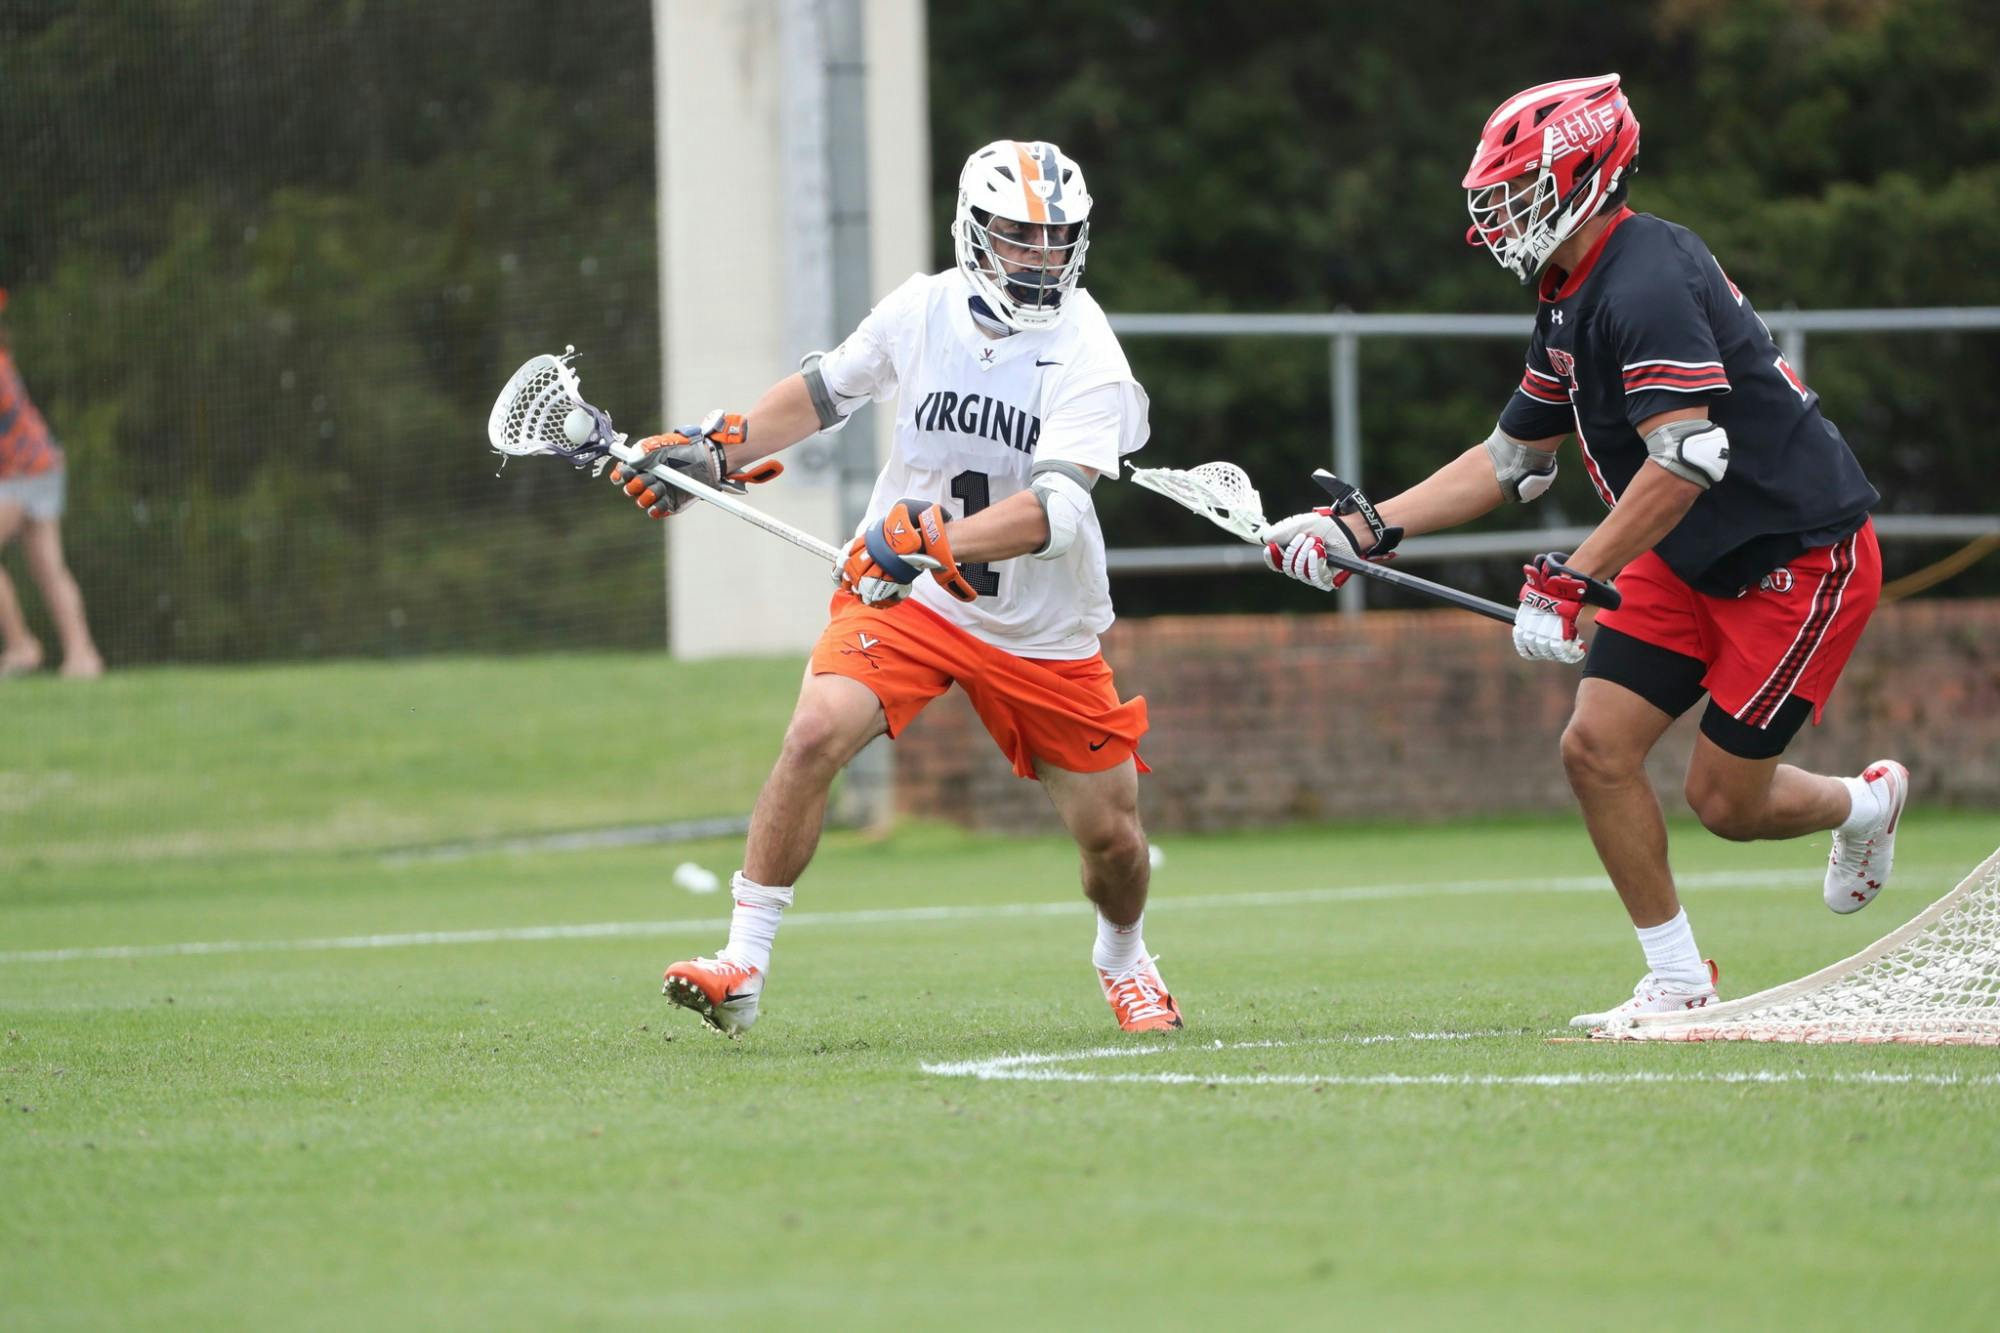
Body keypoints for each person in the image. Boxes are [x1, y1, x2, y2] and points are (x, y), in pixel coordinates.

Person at [1260, 75, 1905, 1029]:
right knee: (1595, 748)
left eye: (1518, 189)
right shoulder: (1569, 288)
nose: (1500, 214)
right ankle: (1679, 979)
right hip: (1681, 550)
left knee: (1725, 803)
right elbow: (1511, 459)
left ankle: (1864, 804)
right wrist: (1362, 527)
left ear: (1586, 174)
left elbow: (1689, 457)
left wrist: (1575, 576)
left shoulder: (1646, 279)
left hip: (1793, 560)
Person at [615, 140, 1179, 1036]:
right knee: (814, 731)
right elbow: (822, 393)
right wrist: (716, 451)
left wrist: (930, 540)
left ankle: (1124, 956)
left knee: (1112, 839)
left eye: (1056, 238)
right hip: (911, 598)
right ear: (973, 230)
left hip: (1035, 624)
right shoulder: (923, 308)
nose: (1041, 257)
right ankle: (742, 962)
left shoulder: (1089, 353)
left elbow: (1056, 514)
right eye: (1019, 235)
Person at [0, 289, 104, 680]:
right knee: (49, 567)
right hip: (42, 466)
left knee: (48, 567)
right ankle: (82, 656)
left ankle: (21, 646)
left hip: (22, 472)